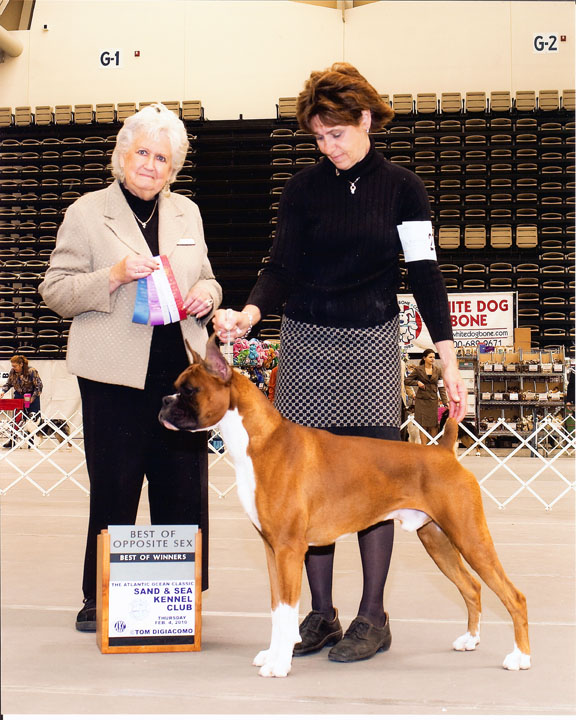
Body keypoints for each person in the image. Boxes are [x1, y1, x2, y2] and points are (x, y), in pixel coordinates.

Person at [213, 63, 467, 663]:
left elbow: (425, 274)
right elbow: (280, 266)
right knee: (307, 485)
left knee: (378, 482)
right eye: (319, 138)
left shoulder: (404, 188)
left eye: (338, 134)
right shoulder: (303, 189)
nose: (329, 147)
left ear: (367, 120)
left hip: (373, 343)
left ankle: (372, 616)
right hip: (306, 344)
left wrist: (449, 355)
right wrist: (250, 314)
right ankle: (320, 615)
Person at [39, 103, 222, 632]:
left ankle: (178, 596)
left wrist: (204, 297)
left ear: (174, 167)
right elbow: (55, 291)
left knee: (183, 487)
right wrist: (113, 277)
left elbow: (209, 277)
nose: (150, 164)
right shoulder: (87, 211)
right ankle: (100, 595)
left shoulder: (188, 212)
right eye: (142, 152)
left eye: (162, 157)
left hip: (182, 378)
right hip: (113, 378)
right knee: (114, 486)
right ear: (122, 155)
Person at [405, 348, 449, 445]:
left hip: (433, 401)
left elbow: (441, 387)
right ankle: (424, 447)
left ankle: (433, 446)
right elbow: (407, 381)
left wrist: (445, 402)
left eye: (433, 357)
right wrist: (417, 382)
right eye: (430, 357)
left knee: (434, 425)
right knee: (423, 425)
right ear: (424, 358)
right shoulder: (418, 369)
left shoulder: (438, 370)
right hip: (421, 401)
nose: (432, 359)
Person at [0, 354, 43, 448]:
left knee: (32, 419)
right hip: (18, 397)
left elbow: (39, 386)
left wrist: (33, 397)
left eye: (15, 366)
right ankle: (13, 440)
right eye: (12, 366)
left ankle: (31, 442)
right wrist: (3, 391)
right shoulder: (12, 372)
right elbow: (8, 384)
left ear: (21, 364)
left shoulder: (32, 371)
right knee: (17, 419)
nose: (13, 368)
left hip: (31, 397)